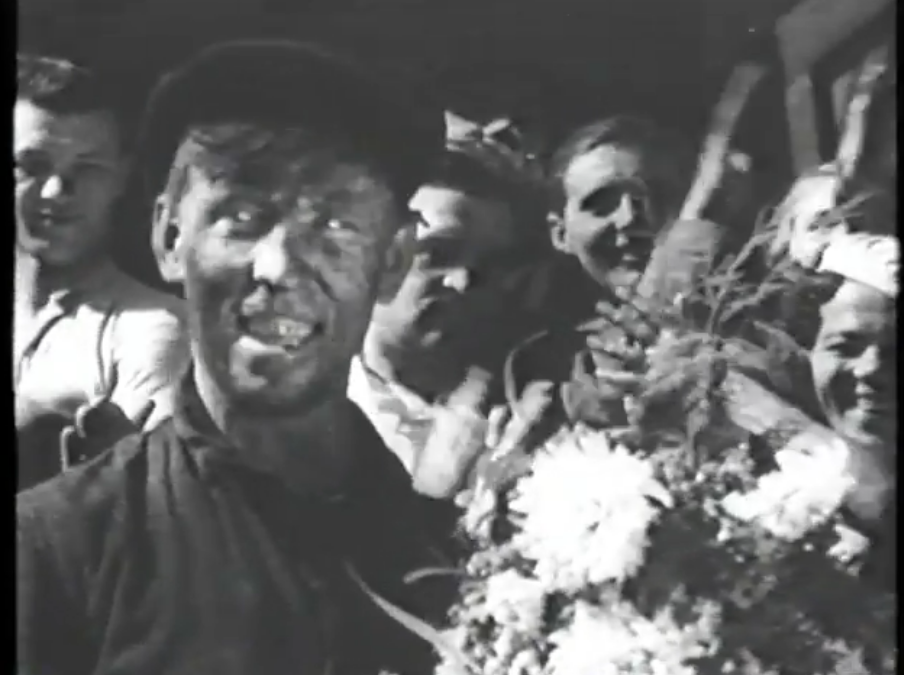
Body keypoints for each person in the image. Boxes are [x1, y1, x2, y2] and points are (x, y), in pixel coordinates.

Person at [17, 40, 452, 675]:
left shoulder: (458, 559)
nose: (277, 267)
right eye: (241, 217)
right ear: (170, 237)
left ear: (392, 261)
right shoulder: (56, 550)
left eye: (334, 225)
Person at [350, 114, 550, 493]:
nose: (462, 281)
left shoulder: (532, 416)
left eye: (494, 264)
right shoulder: (302, 404)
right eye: (438, 254)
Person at [15, 54, 188, 491]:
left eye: (87, 169)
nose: (56, 191)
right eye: (32, 166)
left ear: (122, 178)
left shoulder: (154, 331)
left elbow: (152, 508)